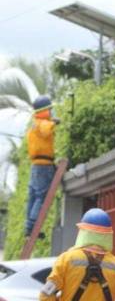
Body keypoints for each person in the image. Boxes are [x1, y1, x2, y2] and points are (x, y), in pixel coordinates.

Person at [25, 95, 59, 238]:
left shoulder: (33, 125)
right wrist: (54, 122)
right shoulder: (43, 122)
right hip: (44, 166)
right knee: (41, 196)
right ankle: (34, 226)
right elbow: (46, 130)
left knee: (33, 197)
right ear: (45, 110)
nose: (52, 112)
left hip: (35, 165)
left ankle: (29, 227)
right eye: (50, 110)